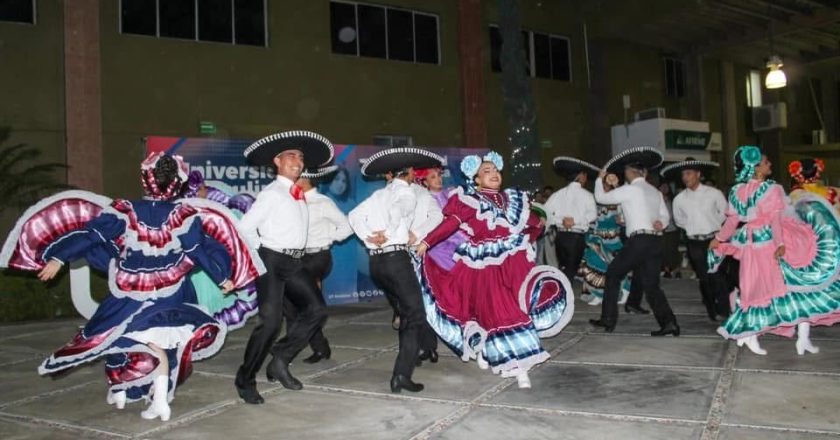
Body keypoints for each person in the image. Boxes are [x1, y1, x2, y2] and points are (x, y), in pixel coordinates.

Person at [0, 152, 263, 421]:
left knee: (117, 337)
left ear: (146, 179)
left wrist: (58, 257)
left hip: (131, 292)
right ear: (178, 183)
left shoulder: (124, 210)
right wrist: (222, 279)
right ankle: (150, 397)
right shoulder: (185, 215)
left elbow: (90, 237)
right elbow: (198, 252)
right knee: (157, 343)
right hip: (169, 291)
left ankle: (129, 391)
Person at [415, 152, 575, 389]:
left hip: (514, 263)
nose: (493, 174)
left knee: (520, 306)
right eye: (486, 171)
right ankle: (516, 365)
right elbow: (450, 224)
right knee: (502, 312)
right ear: (476, 179)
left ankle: (491, 350)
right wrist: (427, 242)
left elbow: (533, 223)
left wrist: (536, 227)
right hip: (484, 265)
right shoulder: (469, 200)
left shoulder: (512, 199)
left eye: (495, 170)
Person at [709, 146, 840, 356]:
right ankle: (749, 334)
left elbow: (735, 221)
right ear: (757, 168)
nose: (770, 165)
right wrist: (719, 239)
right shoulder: (767, 190)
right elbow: (770, 221)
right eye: (767, 162)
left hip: (757, 247)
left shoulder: (745, 190)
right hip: (763, 247)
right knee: (762, 291)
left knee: (781, 290)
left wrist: (719, 238)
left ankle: (800, 337)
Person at [235, 130, 334, 404]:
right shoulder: (272, 194)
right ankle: (245, 378)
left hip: (293, 261)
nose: (298, 160)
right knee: (270, 323)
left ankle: (279, 358)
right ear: (277, 161)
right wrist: (261, 251)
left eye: (301, 157)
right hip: (271, 259)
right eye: (292, 155)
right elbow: (244, 228)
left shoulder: (296, 194)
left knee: (317, 310)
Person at [348, 147, 445, 393]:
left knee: (406, 312)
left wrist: (371, 238)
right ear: (411, 173)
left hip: (377, 263)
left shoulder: (380, 194)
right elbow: (398, 212)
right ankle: (402, 374)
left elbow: (354, 215)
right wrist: (389, 235)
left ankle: (412, 361)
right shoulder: (408, 194)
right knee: (415, 315)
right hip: (395, 259)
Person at [589, 147, 679, 336]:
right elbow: (664, 216)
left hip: (638, 241)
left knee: (613, 274)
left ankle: (608, 320)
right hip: (654, 240)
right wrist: (660, 223)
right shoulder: (655, 192)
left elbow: (601, 198)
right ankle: (669, 322)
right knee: (652, 285)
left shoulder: (630, 190)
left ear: (629, 173)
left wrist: (599, 178)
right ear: (644, 173)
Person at [280, 165, 353, 364]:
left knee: (300, 304)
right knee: (297, 306)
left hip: (318, 257)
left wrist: (329, 238)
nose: (293, 181)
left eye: (297, 178)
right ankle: (319, 348)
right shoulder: (295, 202)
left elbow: (346, 225)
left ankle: (286, 351)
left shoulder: (322, 202)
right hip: (299, 257)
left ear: (306, 180)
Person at [184, 170, 259, 330]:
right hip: (204, 265)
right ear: (196, 191)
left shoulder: (184, 210)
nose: (206, 190)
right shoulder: (203, 213)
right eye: (203, 187)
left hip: (197, 268)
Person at [661, 158, 729, 321]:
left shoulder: (714, 193)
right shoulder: (680, 198)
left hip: (714, 239)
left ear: (698, 174)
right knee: (704, 277)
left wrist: (715, 228)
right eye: (683, 174)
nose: (685, 177)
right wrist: (694, 227)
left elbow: (725, 213)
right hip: (694, 242)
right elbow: (679, 221)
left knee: (718, 276)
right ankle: (712, 310)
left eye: (689, 173)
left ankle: (724, 310)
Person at [545, 157, 598, 283]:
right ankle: (561, 294)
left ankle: (559, 291)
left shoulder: (557, 194)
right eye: (584, 175)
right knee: (570, 270)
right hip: (576, 236)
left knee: (563, 268)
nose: (586, 178)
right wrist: (575, 221)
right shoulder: (587, 195)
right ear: (580, 176)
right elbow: (593, 215)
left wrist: (560, 220)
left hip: (560, 236)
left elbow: (545, 213)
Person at [578, 204, 632, 306]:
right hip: (596, 238)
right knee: (593, 263)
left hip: (612, 240)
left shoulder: (619, 203)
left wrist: (621, 220)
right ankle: (598, 294)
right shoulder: (594, 203)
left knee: (616, 267)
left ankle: (625, 290)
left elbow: (625, 220)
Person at [658, 182, 682, 279]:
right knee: (663, 250)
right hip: (661, 229)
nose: (664, 188)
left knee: (672, 250)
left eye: (666, 186)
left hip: (673, 228)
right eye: (662, 186)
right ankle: (666, 269)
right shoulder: (656, 200)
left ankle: (675, 269)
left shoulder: (673, 200)